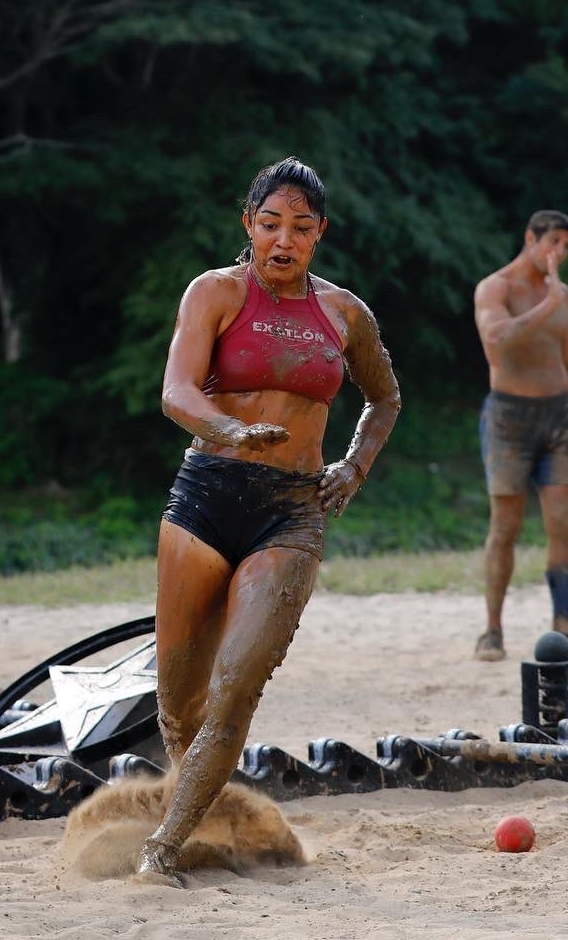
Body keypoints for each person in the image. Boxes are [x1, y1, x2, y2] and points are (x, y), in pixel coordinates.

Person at [139, 157, 401, 886]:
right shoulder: (215, 293)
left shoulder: (345, 314)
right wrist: (228, 430)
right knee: (180, 703)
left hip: (290, 512)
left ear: (321, 233)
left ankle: (160, 850)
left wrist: (352, 467)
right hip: (206, 495)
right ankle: (203, 820)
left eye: (301, 228)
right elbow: (176, 391)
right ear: (247, 223)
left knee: (236, 684)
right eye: (271, 224)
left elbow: (385, 398)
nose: (284, 240)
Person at [473, 210, 568, 661]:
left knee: (563, 524)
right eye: (554, 244)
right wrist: (548, 302)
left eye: (566, 247)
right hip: (509, 417)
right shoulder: (496, 288)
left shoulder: (562, 294)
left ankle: (566, 628)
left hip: (560, 416)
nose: (560, 254)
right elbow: (498, 338)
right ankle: (492, 631)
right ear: (530, 238)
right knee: (505, 526)